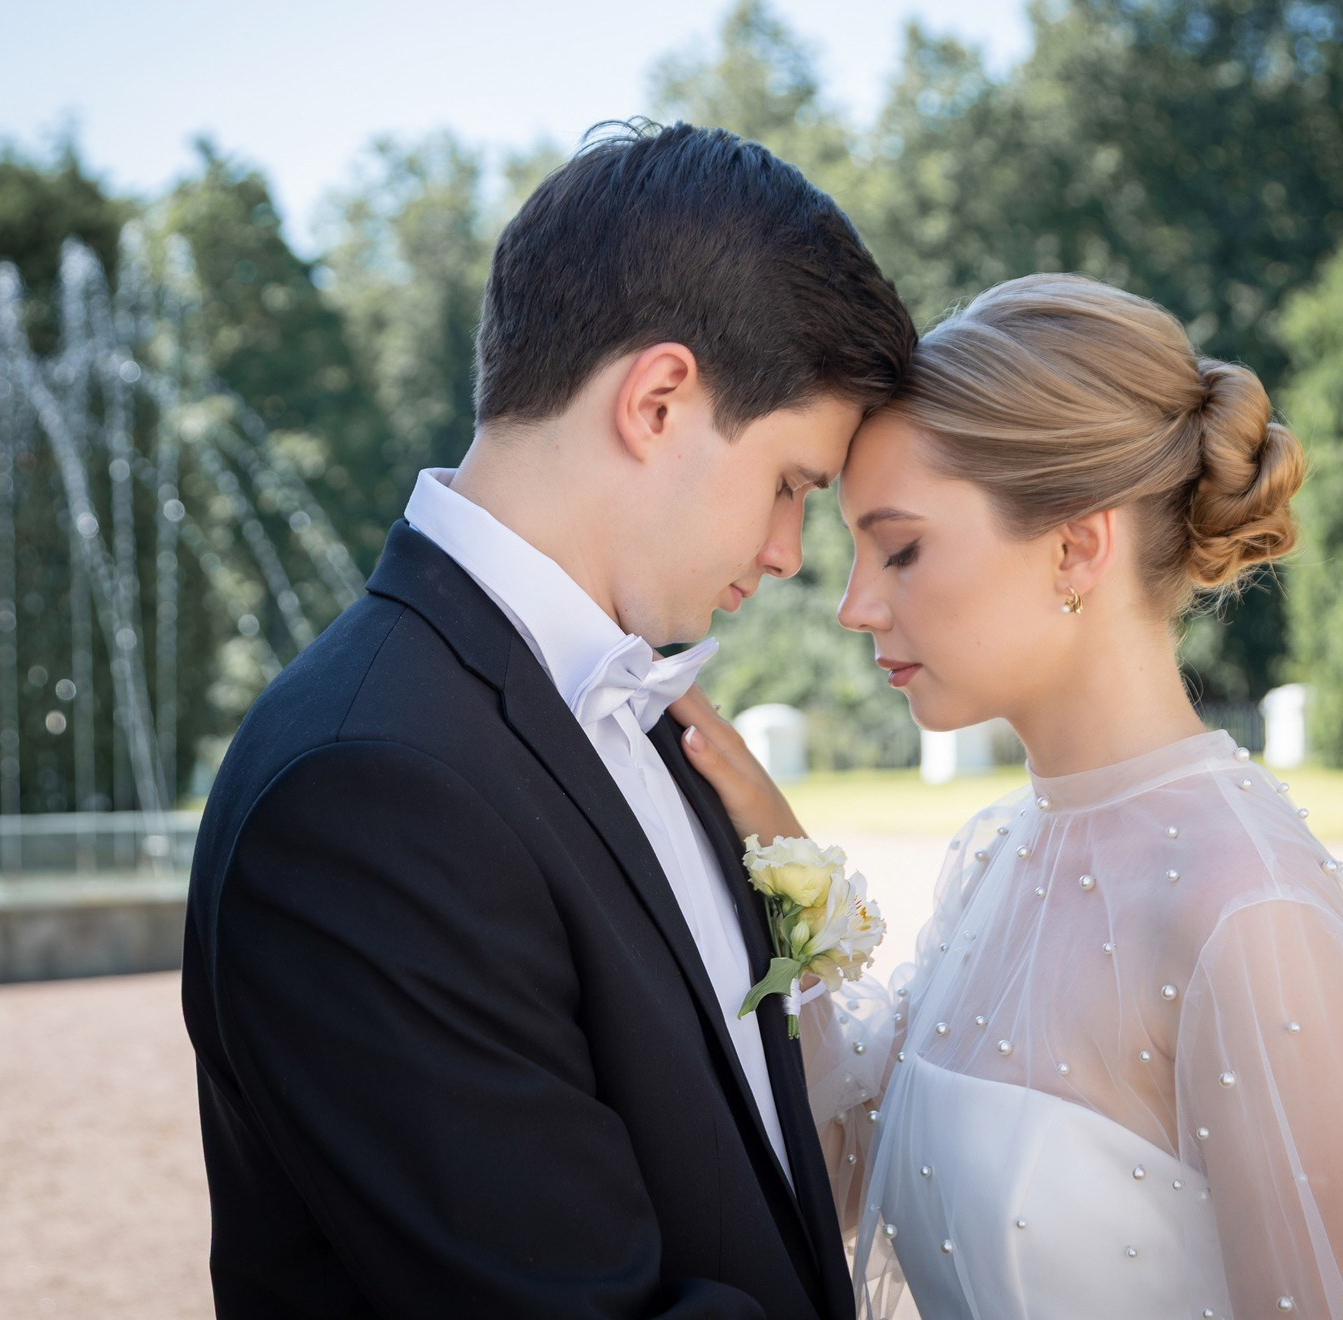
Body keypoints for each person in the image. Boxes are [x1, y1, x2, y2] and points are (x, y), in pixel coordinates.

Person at [180, 120, 915, 1318]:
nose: (789, 553)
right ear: (660, 399)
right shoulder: (366, 788)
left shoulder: (662, 725)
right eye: (791, 484)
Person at [676, 273, 1343, 1319]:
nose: (853, 605)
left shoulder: (1251, 915)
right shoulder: (994, 852)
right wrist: (784, 868)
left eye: (901, 548)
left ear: (1077, 545)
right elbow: (853, 1176)